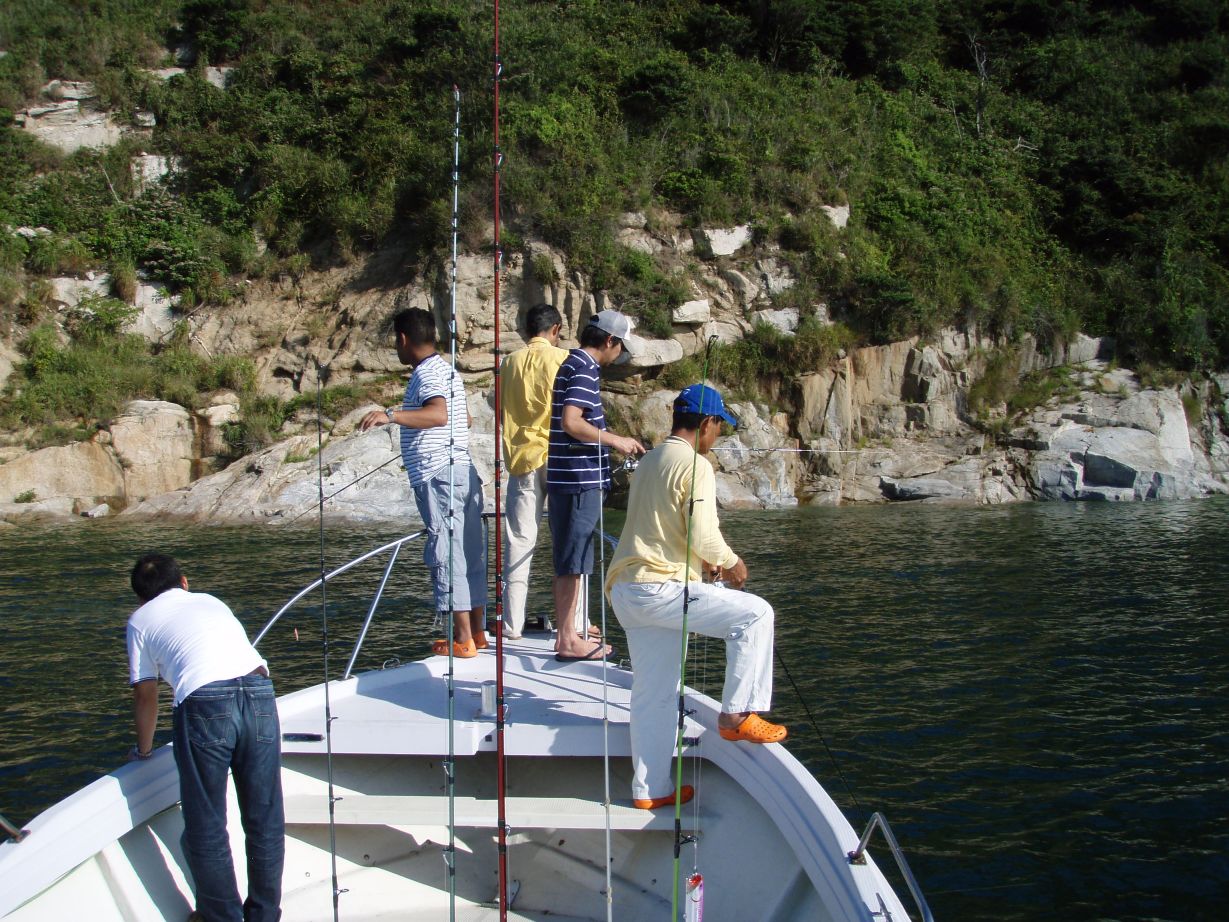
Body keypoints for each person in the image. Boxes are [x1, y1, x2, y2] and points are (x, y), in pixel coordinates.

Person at [605, 384, 787, 810]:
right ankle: (737, 714)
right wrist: (731, 563)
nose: (718, 436)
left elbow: (666, 527)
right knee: (756, 615)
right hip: (659, 587)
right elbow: (704, 534)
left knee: (655, 694)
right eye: (719, 426)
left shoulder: (650, 460)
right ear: (707, 423)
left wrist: (700, 560)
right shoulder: (696, 464)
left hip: (627, 590)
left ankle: (651, 790)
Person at [127, 553, 284, 922]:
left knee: (207, 824)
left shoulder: (139, 621)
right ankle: (264, 915)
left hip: (205, 699)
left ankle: (221, 916)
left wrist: (143, 751)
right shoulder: (211, 601)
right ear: (184, 582)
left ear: (141, 598)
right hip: (260, 690)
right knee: (264, 818)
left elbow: (146, 695)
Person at [360, 307, 488, 657]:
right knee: (468, 551)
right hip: (460, 472)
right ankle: (477, 632)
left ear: (403, 339)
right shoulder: (447, 370)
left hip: (439, 475)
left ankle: (462, 638)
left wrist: (391, 416)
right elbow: (463, 418)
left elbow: (438, 414)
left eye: (396, 341)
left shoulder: (427, 373)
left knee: (447, 552)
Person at [546, 309, 646, 661]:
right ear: (610, 340)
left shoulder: (570, 363)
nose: (620, 355)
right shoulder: (585, 369)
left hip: (566, 477)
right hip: (578, 481)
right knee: (574, 560)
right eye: (621, 347)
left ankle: (569, 633)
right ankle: (568, 640)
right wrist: (615, 440)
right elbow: (571, 422)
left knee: (568, 559)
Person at [501, 303, 572, 639]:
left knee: (519, 541)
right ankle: (574, 623)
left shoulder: (508, 363)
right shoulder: (563, 359)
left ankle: (511, 624)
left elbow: (502, 409)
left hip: (522, 459)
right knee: (568, 541)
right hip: (558, 458)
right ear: (555, 329)